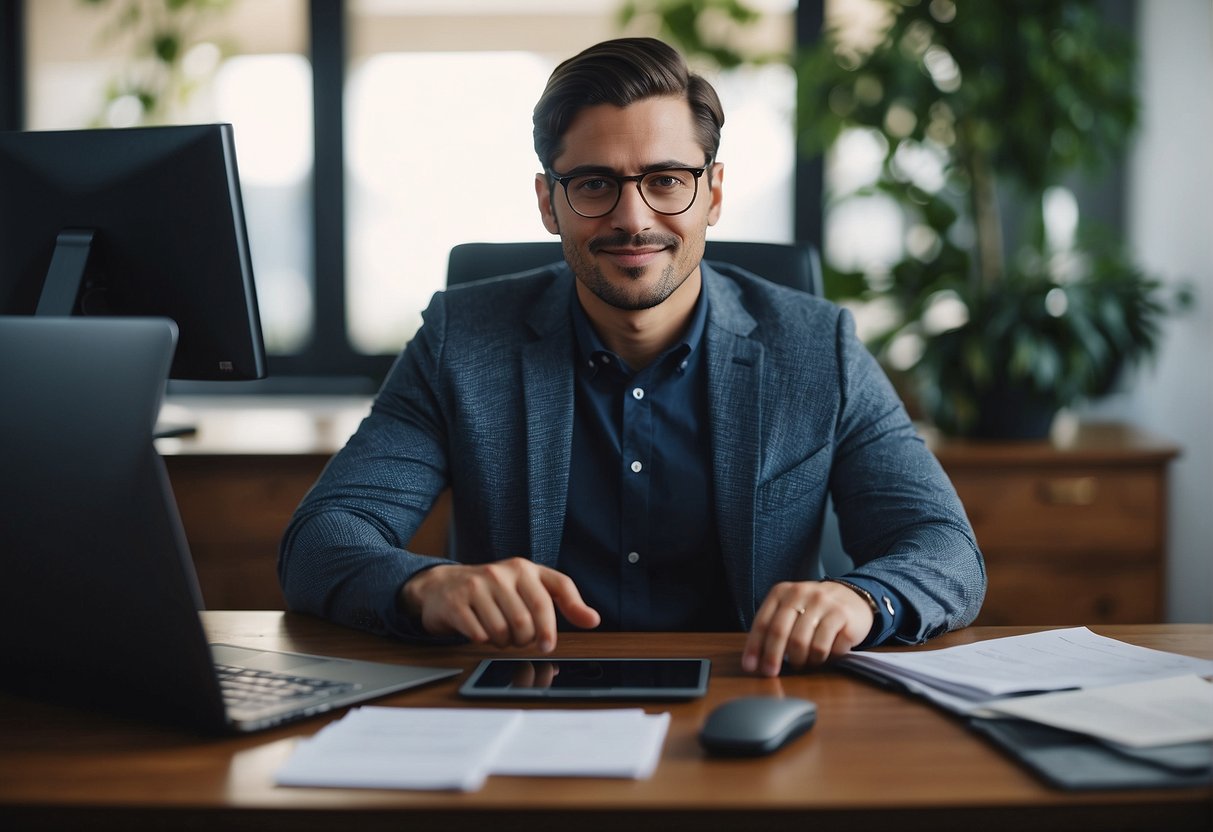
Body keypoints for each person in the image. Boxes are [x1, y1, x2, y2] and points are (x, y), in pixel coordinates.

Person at [279, 37, 985, 677]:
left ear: (711, 192)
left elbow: (942, 547)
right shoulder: (462, 338)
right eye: (594, 184)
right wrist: (422, 585)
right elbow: (320, 540)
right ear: (547, 204)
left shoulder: (813, 344)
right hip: (526, 696)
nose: (632, 217)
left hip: (749, 694)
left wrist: (862, 601)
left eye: (665, 180)